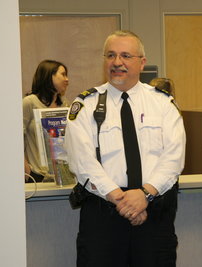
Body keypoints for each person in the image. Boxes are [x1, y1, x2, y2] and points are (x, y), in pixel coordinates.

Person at [64, 30, 185, 267]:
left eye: (126, 56)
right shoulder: (85, 105)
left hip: (154, 215)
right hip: (103, 216)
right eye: (111, 55)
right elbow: (82, 160)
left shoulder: (163, 104)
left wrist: (145, 195)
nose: (117, 62)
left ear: (142, 63)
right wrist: (122, 201)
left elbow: (174, 157)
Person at [23, 59, 69, 182]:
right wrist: (26, 169)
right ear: (49, 76)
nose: (67, 79)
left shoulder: (64, 105)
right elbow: (14, 138)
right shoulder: (30, 102)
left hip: (61, 175)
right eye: (63, 74)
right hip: (37, 175)